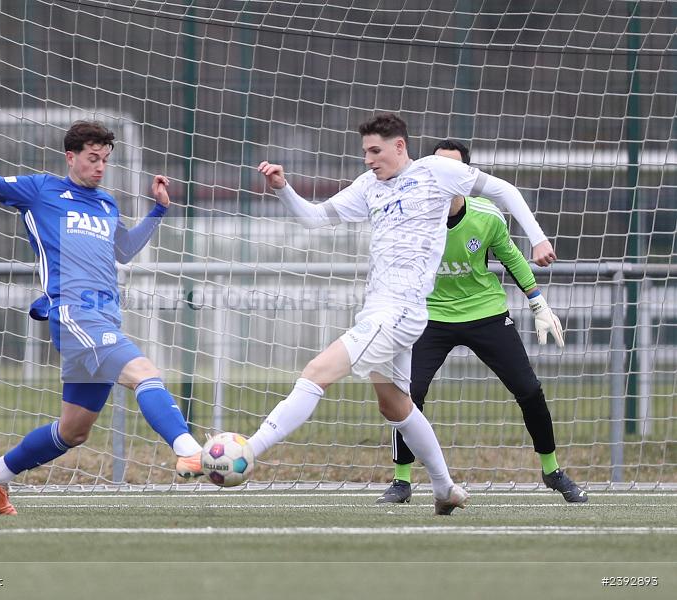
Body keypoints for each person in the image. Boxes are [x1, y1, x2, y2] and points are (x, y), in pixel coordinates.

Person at [241, 113, 556, 515]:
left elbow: (504, 190)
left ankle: (247, 452)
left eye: (376, 151)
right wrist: (283, 189)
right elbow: (315, 218)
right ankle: (444, 489)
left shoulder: (436, 172)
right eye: (365, 152)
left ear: (400, 146)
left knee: (316, 373)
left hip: (398, 312)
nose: (369, 159)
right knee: (395, 406)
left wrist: (538, 238)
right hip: (382, 310)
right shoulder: (368, 186)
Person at [0, 121, 204, 515]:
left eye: (105, 159)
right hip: (72, 313)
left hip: (105, 317)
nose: (100, 167)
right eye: (92, 158)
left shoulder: (106, 204)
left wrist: (158, 211)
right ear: (71, 157)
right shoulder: (40, 190)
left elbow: (123, 250)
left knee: (74, 431)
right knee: (144, 371)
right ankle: (190, 450)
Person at [376, 139, 587, 504]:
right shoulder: (409, 217)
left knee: (529, 390)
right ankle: (402, 480)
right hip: (432, 317)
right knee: (407, 394)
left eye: (452, 170)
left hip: (486, 314)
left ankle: (552, 471)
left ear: (466, 177)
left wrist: (538, 304)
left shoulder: (487, 216)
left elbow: (512, 258)